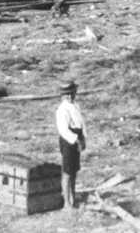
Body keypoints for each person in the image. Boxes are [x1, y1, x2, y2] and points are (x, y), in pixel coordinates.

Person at [56, 80, 86, 209]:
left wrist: (83, 138)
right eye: (66, 94)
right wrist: (76, 139)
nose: (69, 96)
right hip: (68, 140)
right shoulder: (62, 109)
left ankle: (73, 198)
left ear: (75, 92)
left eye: (71, 93)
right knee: (67, 172)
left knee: (74, 171)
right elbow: (63, 130)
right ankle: (66, 203)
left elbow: (81, 123)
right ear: (62, 95)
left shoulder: (75, 105)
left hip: (77, 137)